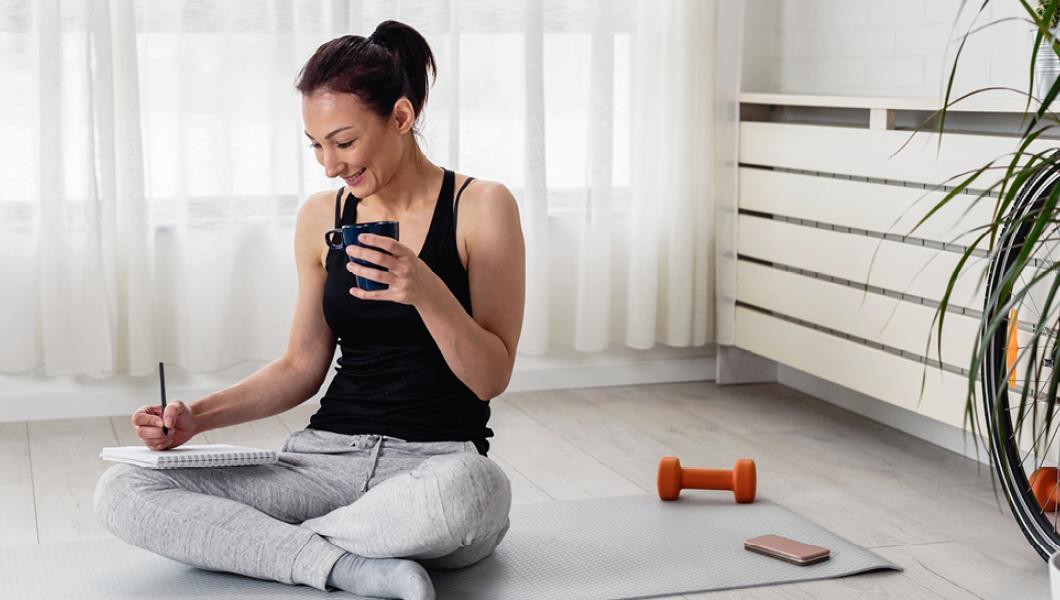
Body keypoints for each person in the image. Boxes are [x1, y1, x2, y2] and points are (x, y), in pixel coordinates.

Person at [93, 20, 525, 600]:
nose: (329, 165)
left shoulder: (482, 207)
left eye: (344, 142)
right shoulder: (321, 215)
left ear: (400, 118)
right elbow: (301, 366)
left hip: (433, 468)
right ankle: (348, 564)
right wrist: (195, 417)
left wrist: (424, 289)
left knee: (476, 490)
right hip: (323, 463)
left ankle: (274, 547)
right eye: (316, 145)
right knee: (124, 491)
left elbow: (491, 377)